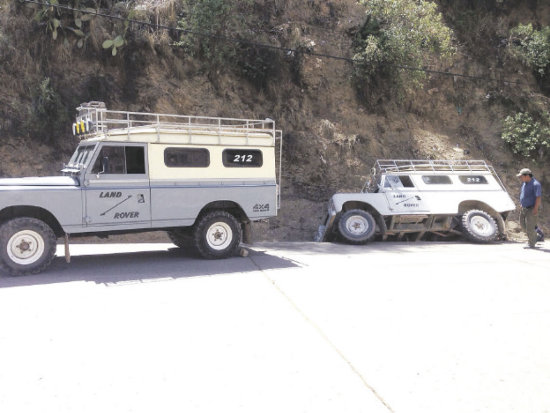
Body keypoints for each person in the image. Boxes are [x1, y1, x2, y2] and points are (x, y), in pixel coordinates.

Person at [517, 168, 542, 248]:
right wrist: (521, 204)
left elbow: (538, 197)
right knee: (522, 225)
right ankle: (536, 236)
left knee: (530, 227)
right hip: (524, 208)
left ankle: (531, 243)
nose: (520, 178)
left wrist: (535, 208)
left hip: (531, 208)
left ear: (527, 176)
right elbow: (524, 194)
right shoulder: (525, 183)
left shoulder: (535, 184)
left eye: (521, 176)